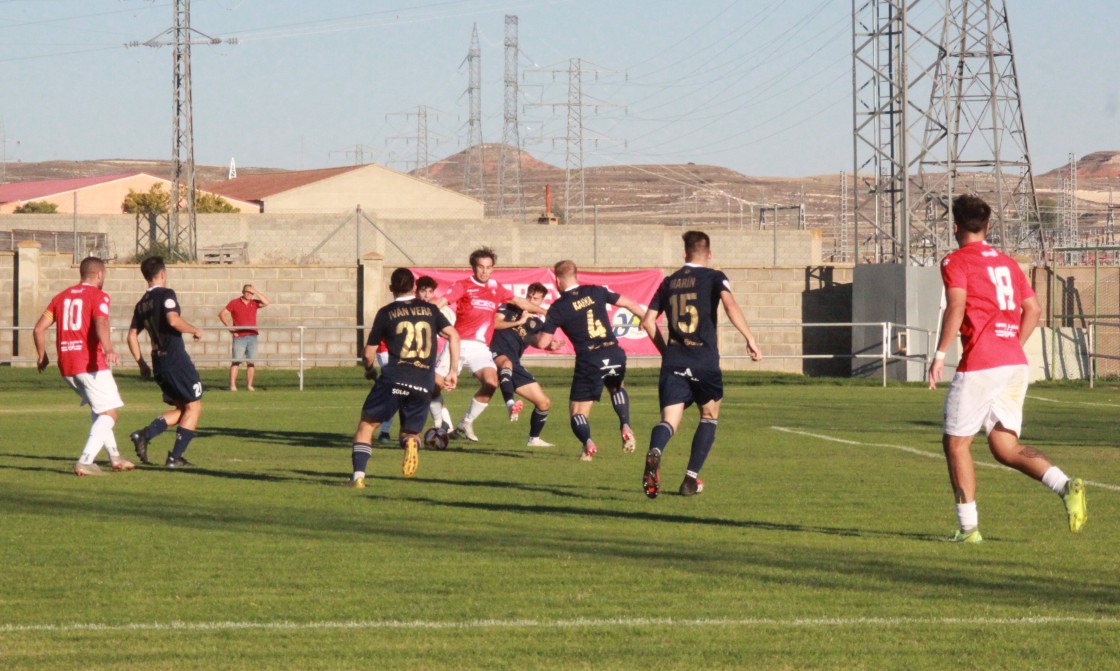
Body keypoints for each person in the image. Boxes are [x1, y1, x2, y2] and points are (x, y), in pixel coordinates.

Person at [928, 194, 1086, 543]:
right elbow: (1034, 310)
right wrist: (1011, 341)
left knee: (955, 444)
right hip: (1014, 363)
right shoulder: (1008, 263)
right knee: (1004, 447)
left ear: (955, 228)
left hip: (982, 364)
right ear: (986, 227)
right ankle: (1065, 485)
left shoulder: (955, 260)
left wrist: (939, 355)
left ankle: (968, 529)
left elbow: (955, 307)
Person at [639, 231, 762, 498]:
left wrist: (666, 352)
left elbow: (648, 322)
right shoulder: (715, 276)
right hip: (704, 361)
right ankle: (690, 480)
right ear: (709, 254)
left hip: (674, 362)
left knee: (669, 420)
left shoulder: (668, 282)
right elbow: (730, 306)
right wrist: (750, 338)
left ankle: (656, 450)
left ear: (684, 254)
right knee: (709, 415)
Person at [347, 268, 459, 487]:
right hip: (424, 382)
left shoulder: (386, 312)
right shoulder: (430, 309)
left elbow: (369, 354)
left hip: (395, 377)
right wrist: (452, 371)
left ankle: (358, 477)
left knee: (367, 426)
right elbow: (454, 335)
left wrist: (369, 370)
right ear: (414, 287)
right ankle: (411, 444)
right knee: (409, 432)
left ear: (391, 288)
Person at [32, 257, 135, 476]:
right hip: (90, 363)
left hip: (67, 366)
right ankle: (85, 461)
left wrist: (42, 355)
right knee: (109, 414)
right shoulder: (99, 296)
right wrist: (108, 348)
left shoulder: (60, 298)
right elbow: (101, 322)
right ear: (99, 274)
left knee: (100, 410)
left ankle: (115, 457)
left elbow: (38, 329)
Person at [535, 260, 645, 461]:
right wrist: (645, 319)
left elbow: (543, 342)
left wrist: (533, 337)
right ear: (576, 275)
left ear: (558, 280)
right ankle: (626, 424)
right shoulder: (596, 291)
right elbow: (631, 303)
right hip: (613, 352)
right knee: (616, 387)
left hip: (590, 358)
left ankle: (588, 444)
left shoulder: (558, 307)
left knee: (577, 411)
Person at [433, 247, 545, 442]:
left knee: (492, 382)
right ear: (473, 267)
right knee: (433, 387)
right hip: (458, 342)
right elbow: (440, 303)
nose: (484, 271)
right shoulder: (463, 285)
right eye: (480, 267)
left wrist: (545, 312)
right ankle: (442, 424)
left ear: (492, 269)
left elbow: (521, 303)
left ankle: (466, 422)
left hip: (480, 347)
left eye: (488, 267)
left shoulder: (496, 287)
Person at [126, 257, 206, 469]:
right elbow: (173, 319)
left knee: (183, 409)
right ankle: (175, 458)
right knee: (195, 406)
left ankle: (143, 435)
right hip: (175, 360)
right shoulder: (166, 294)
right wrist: (194, 330)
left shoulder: (141, 303)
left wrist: (141, 364)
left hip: (158, 363)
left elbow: (131, 335)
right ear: (162, 274)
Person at [490, 282, 566, 447]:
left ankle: (534, 439)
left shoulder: (536, 323)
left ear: (541, 301)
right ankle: (510, 404)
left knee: (544, 402)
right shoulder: (509, 307)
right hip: (494, 351)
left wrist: (550, 345)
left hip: (514, 363)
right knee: (506, 363)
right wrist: (518, 322)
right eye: (529, 296)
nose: (531, 300)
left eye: (536, 298)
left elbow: (533, 340)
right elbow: (495, 324)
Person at [217, 283, 270, 391]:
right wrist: (230, 328)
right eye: (247, 292)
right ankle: (233, 385)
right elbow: (222, 314)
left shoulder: (254, 303)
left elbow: (266, 302)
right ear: (243, 292)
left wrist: (256, 291)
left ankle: (250, 385)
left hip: (252, 335)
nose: (249, 294)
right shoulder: (234, 303)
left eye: (251, 292)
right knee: (236, 361)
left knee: (251, 362)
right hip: (239, 336)